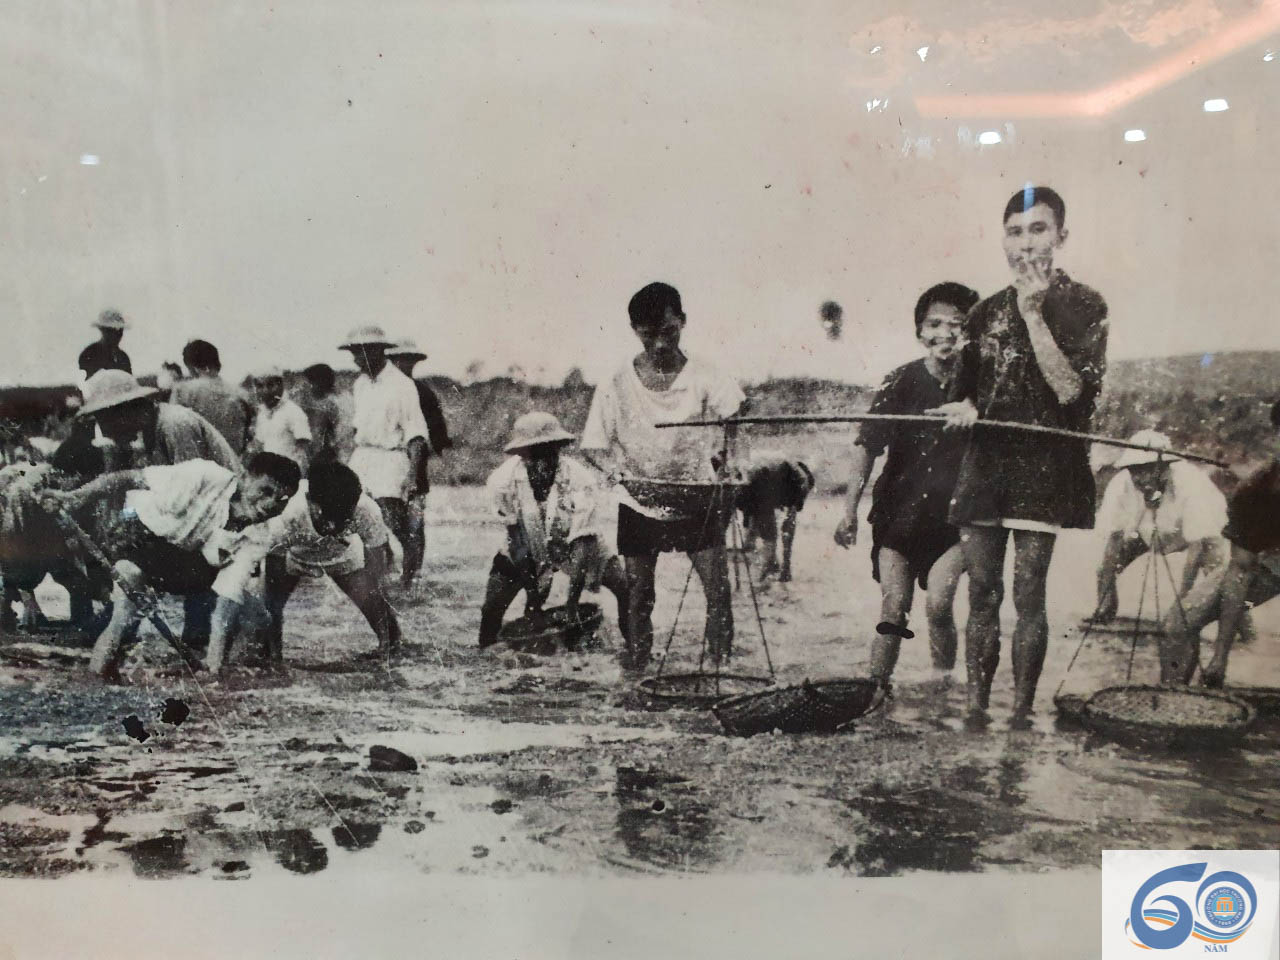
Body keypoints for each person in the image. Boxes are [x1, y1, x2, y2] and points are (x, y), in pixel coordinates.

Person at [931, 187, 1108, 726]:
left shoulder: (1085, 305)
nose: (1026, 243)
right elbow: (964, 391)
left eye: (1038, 229)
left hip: (1045, 469)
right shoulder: (983, 313)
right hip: (986, 467)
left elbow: (1073, 393)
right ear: (1003, 239)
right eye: (1015, 231)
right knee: (982, 591)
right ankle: (976, 712)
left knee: (1030, 593)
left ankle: (1021, 717)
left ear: (1061, 237)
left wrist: (1034, 317)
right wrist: (961, 407)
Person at [580, 282, 744, 671]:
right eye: (648, 334)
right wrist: (621, 477)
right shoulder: (617, 381)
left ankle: (720, 669)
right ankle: (637, 671)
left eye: (668, 332)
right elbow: (593, 446)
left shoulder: (707, 374)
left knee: (718, 592)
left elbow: (735, 420)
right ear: (635, 331)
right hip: (641, 497)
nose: (658, 344)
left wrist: (728, 465)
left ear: (682, 323)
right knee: (639, 596)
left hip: (696, 496)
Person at [44, 453, 301, 682]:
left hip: (187, 561)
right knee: (123, 617)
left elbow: (228, 597)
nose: (270, 505)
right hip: (140, 538)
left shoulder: (261, 534)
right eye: (265, 491)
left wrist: (213, 665)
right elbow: (127, 478)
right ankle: (93, 679)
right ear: (245, 477)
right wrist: (74, 497)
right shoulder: (204, 474)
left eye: (281, 500)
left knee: (255, 617)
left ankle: (228, 676)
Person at [836, 282, 979, 688]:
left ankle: (942, 688)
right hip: (899, 515)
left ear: (971, 334)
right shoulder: (899, 381)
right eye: (934, 324)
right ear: (920, 333)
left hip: (954, 521)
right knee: (893, 608)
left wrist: (977, 409)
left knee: (938, 605)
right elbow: (866, 447)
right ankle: (877, 690)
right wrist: (848, 512)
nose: (946, 333)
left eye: (957, 324)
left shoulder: (981, 389)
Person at [221, 460, 400, 671]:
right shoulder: (286, 514)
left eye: (344, 518)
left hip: (342, 554)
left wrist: (388, 648)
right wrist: (276, 659)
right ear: (309, 500)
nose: (334, 526)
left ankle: (392, 647)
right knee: (266, 619)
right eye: (328, 516)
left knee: (377, 608)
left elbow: (376, 576)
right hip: (293, 555)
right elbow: (273, 597)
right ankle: (268, 655)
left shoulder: (367, 510)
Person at [479, 412, 630, 648]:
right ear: (522, 455)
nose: (542, 464)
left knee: (626, 589)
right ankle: (485, 654)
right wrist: (533, 600)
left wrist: (572, 604)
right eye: (533, 456)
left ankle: (634, 650)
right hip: (529, 543)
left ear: (558, 450)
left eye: (549, 454)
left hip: (579, 544)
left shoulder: (580, 479)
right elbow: (517, 541)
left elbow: (582, 545)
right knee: (491, 608)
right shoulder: (502, 482)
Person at [1161, 401, 1280, 687]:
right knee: (1178, 622)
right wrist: (1220, 656)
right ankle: (1175, 700)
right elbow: (1240, 571)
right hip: (1273, 562)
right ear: (1276, 437)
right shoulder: (1254, 490)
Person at [1092, 430, 1250, 637]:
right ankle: (1106, 609)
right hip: (1149, 529)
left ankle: (1247, 632)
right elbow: (1114, 539)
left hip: (1202, 534)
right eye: (1135, 470)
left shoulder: (1192, 483)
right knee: (1104, 567)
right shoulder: (1121, 484)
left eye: (1148, 470)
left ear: (1165, 468)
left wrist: (1181, 605)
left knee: (1222, 581)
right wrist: (1105, 593)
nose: (1141, 478)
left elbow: (1196, 549)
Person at [339, 326, 429, 588]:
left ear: (378, 351)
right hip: (363, 457)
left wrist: (412, 474)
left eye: (362, 352)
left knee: (396, 521)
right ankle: (378, 572)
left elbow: (416, 434)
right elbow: (358, 429)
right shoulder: (360, 385)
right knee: (357, 517)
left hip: (391, 458)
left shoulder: (403, 385)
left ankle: (409, 580)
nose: (357, 358)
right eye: (354, 352)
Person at [386, 338, 453, 589]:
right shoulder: (386, 390)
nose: (405, 365)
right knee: (387, 518)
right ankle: (396, 565)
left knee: (414, 520)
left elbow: (438, 433)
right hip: (386, 462)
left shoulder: (423, 392)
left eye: (410, 360)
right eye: (400, 360)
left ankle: (412, 573)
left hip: (415, 464)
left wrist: (422, 457)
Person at [78, 370, 241, 473]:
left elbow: (193, 488)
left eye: (105, 421)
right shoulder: (151, 430)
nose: (105, 431)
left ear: (124, 410)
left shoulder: (175, 424)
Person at [739, 454, 815, 582]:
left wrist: (786, 565)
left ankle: (780, 566)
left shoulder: (793, 480)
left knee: (780, 529)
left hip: (786, 479)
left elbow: (787, 526)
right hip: (766, 480)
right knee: (767, 532)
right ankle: (774, 564)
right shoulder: (753, 486)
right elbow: (754, 522)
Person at [171, 340, 253, 455]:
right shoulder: (241, 394)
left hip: (200, 464)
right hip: (234, 462)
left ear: (192, 367)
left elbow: (174, 432)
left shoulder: (183, 391)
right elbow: (249, 435)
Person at [250, 368, 312, 470]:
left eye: (270, 385)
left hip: (288, 473)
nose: (265, 391)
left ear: (280, 385)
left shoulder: (293, 411)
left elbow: (303, 450)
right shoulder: (262, 414)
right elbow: (260, 444)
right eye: (260, 386)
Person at [299, 364, 345, 464]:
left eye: (311, 382)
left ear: (321, 382)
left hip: (325, 456)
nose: (307, 386)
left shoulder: (329, 404)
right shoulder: (317, 403)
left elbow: (319, 435)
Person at [77, 310, 132, 380]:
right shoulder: (89, 354)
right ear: (102, 330)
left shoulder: (123, 357)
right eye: (111, 331)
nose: (116, 335)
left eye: (120, 331)